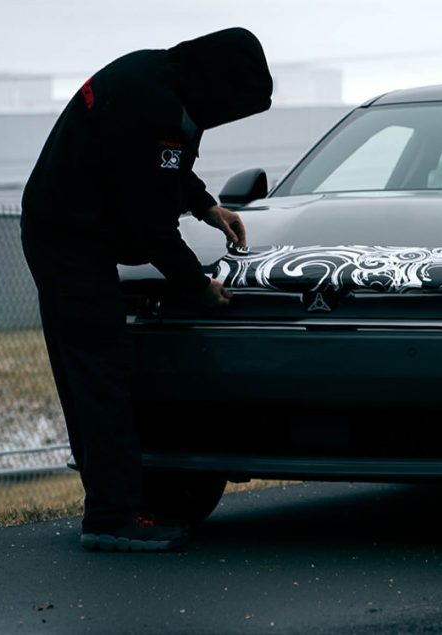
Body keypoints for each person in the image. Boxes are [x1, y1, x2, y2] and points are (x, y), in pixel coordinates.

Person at [20, 28, 273, 552]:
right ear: (219, 81)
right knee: (100, 369)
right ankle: (113, 517)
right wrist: (198, 286)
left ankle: (114, 504)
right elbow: (150, 225)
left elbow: (164, 169)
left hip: (66, 225)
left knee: (90, 369)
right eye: (233, 105)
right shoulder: (153, 104)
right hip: (69, 237)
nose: (226, 116)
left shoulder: (157, 76)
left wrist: (207, 205)